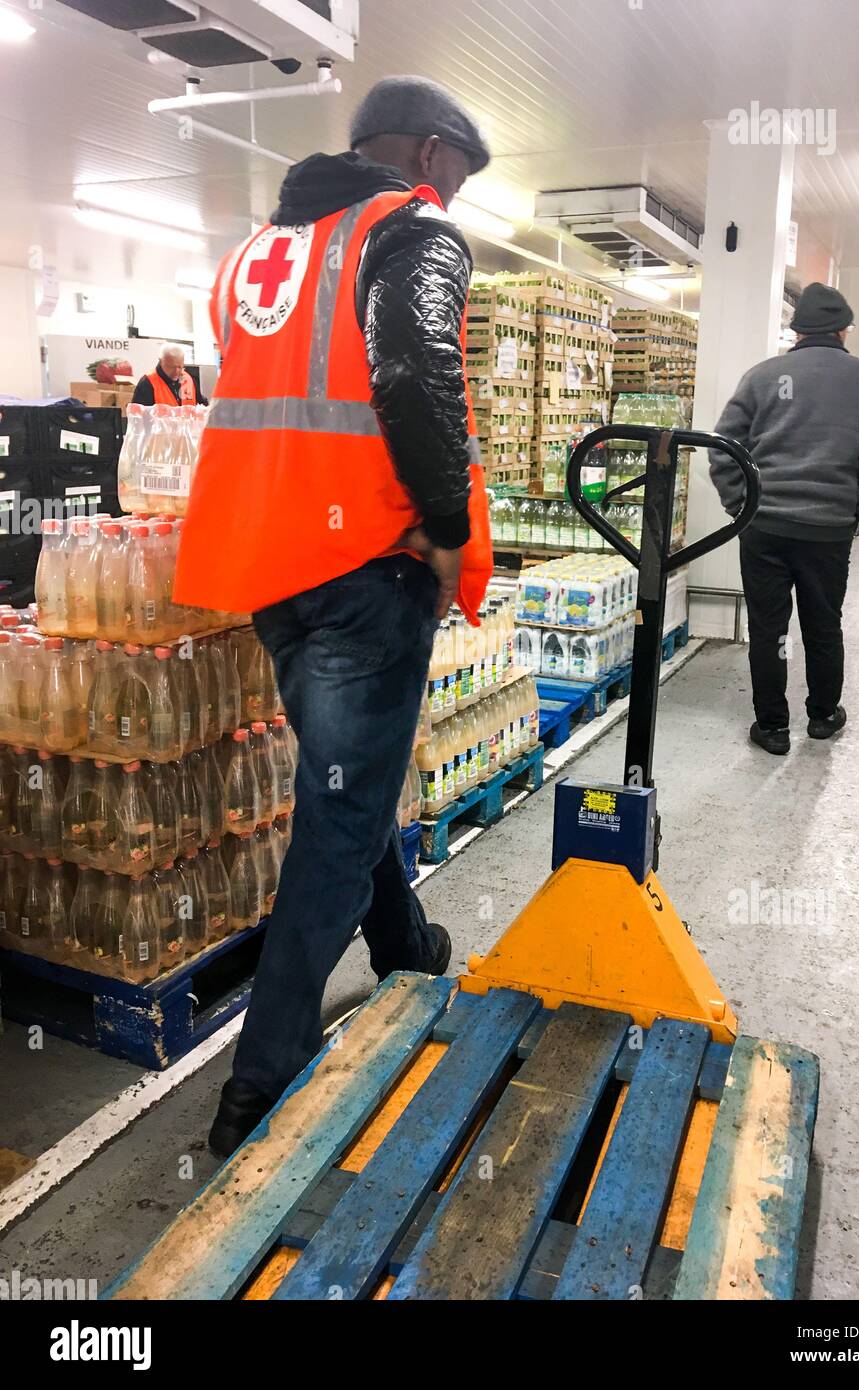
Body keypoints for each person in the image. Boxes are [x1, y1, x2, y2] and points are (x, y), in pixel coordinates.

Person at [172, 75, 493, 1157]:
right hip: (367, 564)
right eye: (456, 168)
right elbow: (414, 374)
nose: (456, 191)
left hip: (273, 569)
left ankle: (404, 943)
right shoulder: (410, 232)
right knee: (338, 816)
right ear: (426, 151)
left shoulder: (261, 251)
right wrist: (447, 525)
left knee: (340, 784)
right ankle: (258, 1085)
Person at [710, 283, 859, 756]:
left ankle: (773, 727)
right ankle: (822, 716)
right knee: (822, 624)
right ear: (844, 329)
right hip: (828, 530)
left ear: (795, 330)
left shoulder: (762, 376)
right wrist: (857, 507)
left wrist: (740, 505)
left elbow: (724, 448)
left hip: (765, 527)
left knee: (769, 627)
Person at [132, 343, 207, 406]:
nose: (176, 371)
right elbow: (139, 417)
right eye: (171, 367)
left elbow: (202, 403)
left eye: (180, 367)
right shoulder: (147, 383)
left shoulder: (188, 380)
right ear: (161, 362)